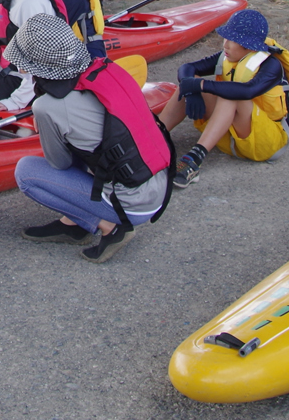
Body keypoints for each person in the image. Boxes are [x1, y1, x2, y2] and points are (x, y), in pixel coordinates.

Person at [12, 15, 172, 263]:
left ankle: (108, 226)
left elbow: (60, 164)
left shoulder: (47, 106)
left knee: (27, 172)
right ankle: (74, 224)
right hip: (158, 183)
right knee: (78, 142)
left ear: (37, 65)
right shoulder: (106, 69)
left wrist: (45, 126)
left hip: (129, 205)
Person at [159, 9, 289, 186]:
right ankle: (151, 138)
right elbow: (187, 68)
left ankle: (194, 160)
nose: (225, 44)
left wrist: (201, 85)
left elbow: (248, 91)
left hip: (265, 143)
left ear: (248, 45)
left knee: (231, 95)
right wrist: (191, 91)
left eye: (231, 40)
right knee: (187, 85)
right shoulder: (227, 56)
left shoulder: (271, 65)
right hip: (229, 137)